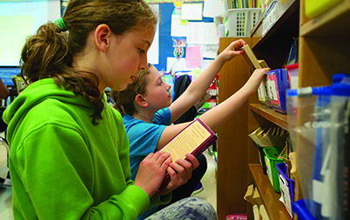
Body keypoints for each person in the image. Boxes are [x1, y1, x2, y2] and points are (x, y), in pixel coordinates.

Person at [2, 0, 216, 219]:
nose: (144, 64)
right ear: (103, 38)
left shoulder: (108, 114)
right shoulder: (49, 125)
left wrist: (155, 187)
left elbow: (119, 194)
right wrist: (140, 189)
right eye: (140, 49)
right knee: (197, 212)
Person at [113, 39, 270, 219]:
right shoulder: (135, 131)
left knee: (198, 162)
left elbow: (191, 94)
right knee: (199, 210)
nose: (168, 85)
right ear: (142, 100)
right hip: (138, 214)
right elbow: (199, 127)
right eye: (159, 83)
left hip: (150, 203)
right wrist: (248, 89)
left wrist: (221, 59)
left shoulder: (150, 116)